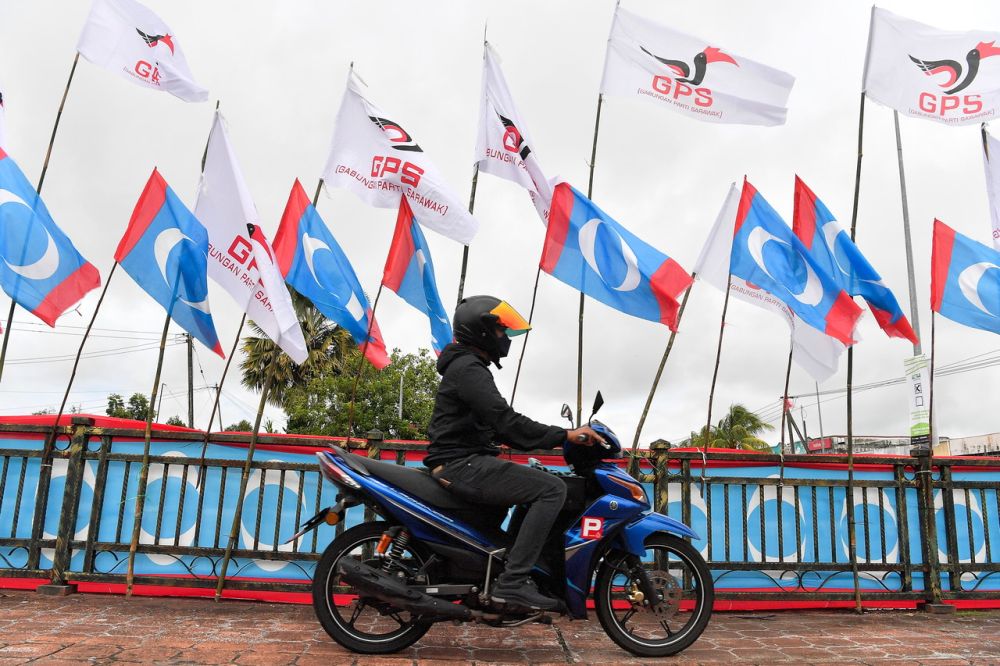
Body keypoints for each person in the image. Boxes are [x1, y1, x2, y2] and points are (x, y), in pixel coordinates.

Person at [425, 295, 604, 611]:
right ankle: (511, 585)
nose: (504, 337)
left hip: (462, 461)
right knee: (552, 489)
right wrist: (565, 434)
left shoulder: (468, 367)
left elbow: (500, 427)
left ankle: (513, 569)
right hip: (461, 464)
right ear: (480, 331)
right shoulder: (468, 368)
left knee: (537, 483)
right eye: (500, 330)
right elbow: (506, 422)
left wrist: (550, 437)